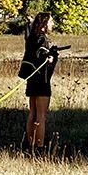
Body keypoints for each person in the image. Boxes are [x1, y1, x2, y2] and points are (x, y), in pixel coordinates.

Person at [19, 12, 59, 148]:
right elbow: (44, 61)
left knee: (33, 113)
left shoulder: (31, 38)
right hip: (42, 81)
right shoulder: (42, 39)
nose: (53, 24)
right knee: (41, 116)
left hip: (31, 80)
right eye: (51, 21)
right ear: (44, 24)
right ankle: (39, 146)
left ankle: (30, 143)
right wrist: (52, 57)